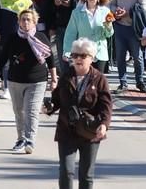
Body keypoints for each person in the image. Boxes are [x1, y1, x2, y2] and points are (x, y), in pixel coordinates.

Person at [46, 38, 112, 189]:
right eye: (75, 55)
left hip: (90, 132)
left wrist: (104, 125)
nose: (78, 59)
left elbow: (106, 105)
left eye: (83, 56)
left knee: (86, 175)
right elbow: (56, 99)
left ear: (92, 58)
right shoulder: (66, 76)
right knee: (66, 172)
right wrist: (49, 108)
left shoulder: (99, 79)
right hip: (66, 130)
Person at [0, 10, 57, 154]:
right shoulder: (13, 38)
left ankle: (30, 140)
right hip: (15, 80)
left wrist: (54, 79)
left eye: (29, 19)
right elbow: (3, 57)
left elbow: (50, 60)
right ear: (18, 22)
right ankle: (20, 138)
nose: (26, 22)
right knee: (19, 111)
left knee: (32, 111)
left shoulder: (41, 37)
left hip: (37, 81)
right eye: (23, 19)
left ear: (34, 22)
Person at [110, 0, 146, 93]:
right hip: (120, 26)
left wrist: (128, 12)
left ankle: (140, 81)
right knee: (120, 56)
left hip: (134, 27)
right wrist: (116, 12)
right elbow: (112, 3)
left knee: (137, 56)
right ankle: (123, 82)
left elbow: (144, 7)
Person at [0, 0, 33, 99]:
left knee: (21, 62)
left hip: (23, 37)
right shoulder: (2, 1)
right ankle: (6, 88)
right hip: (5, 37)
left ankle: (22, 87)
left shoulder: (27, 2)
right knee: (6, 63)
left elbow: (33, 19)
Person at [62, 0, 114, 74]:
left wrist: (108, 25)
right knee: (83, 82)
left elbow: (109, 34)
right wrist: (67, 51)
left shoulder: (106, 11)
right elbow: (70, 33)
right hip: (83, 54)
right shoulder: (76, 13)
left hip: (100, 53)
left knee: (97, 82)